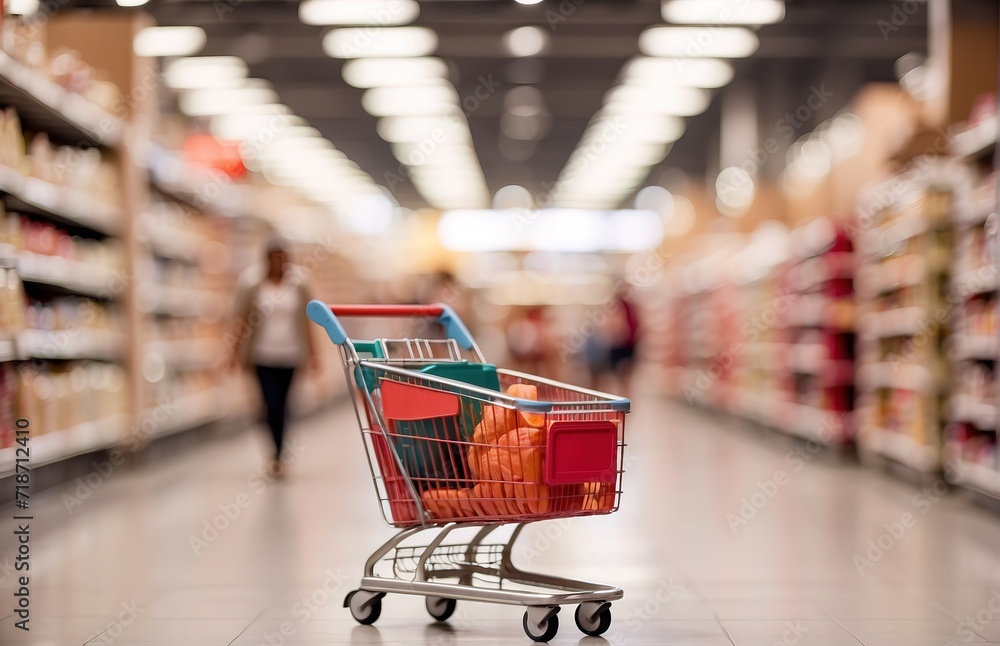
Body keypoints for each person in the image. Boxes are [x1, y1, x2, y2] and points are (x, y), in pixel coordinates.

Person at [230, 237, 318, 477]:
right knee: (270, 404)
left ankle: (279, 455)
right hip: (262, 356)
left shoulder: (299, 284)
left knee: (285, 404)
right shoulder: (252, 283)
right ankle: (276, 454)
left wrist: (314, 354)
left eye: (283, 256)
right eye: (275, 256)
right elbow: (242, 320)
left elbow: (309, 321)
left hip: (291, 355)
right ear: (266, 258)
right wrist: (234, 353)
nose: (280, 261)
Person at [608, 282, 640, 397]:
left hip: (627, 344)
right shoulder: (616, 305)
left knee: (625, 374)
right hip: (620, 344)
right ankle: (623, 397)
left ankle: (625, 397)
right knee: (621, 374)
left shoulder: (630, 305)